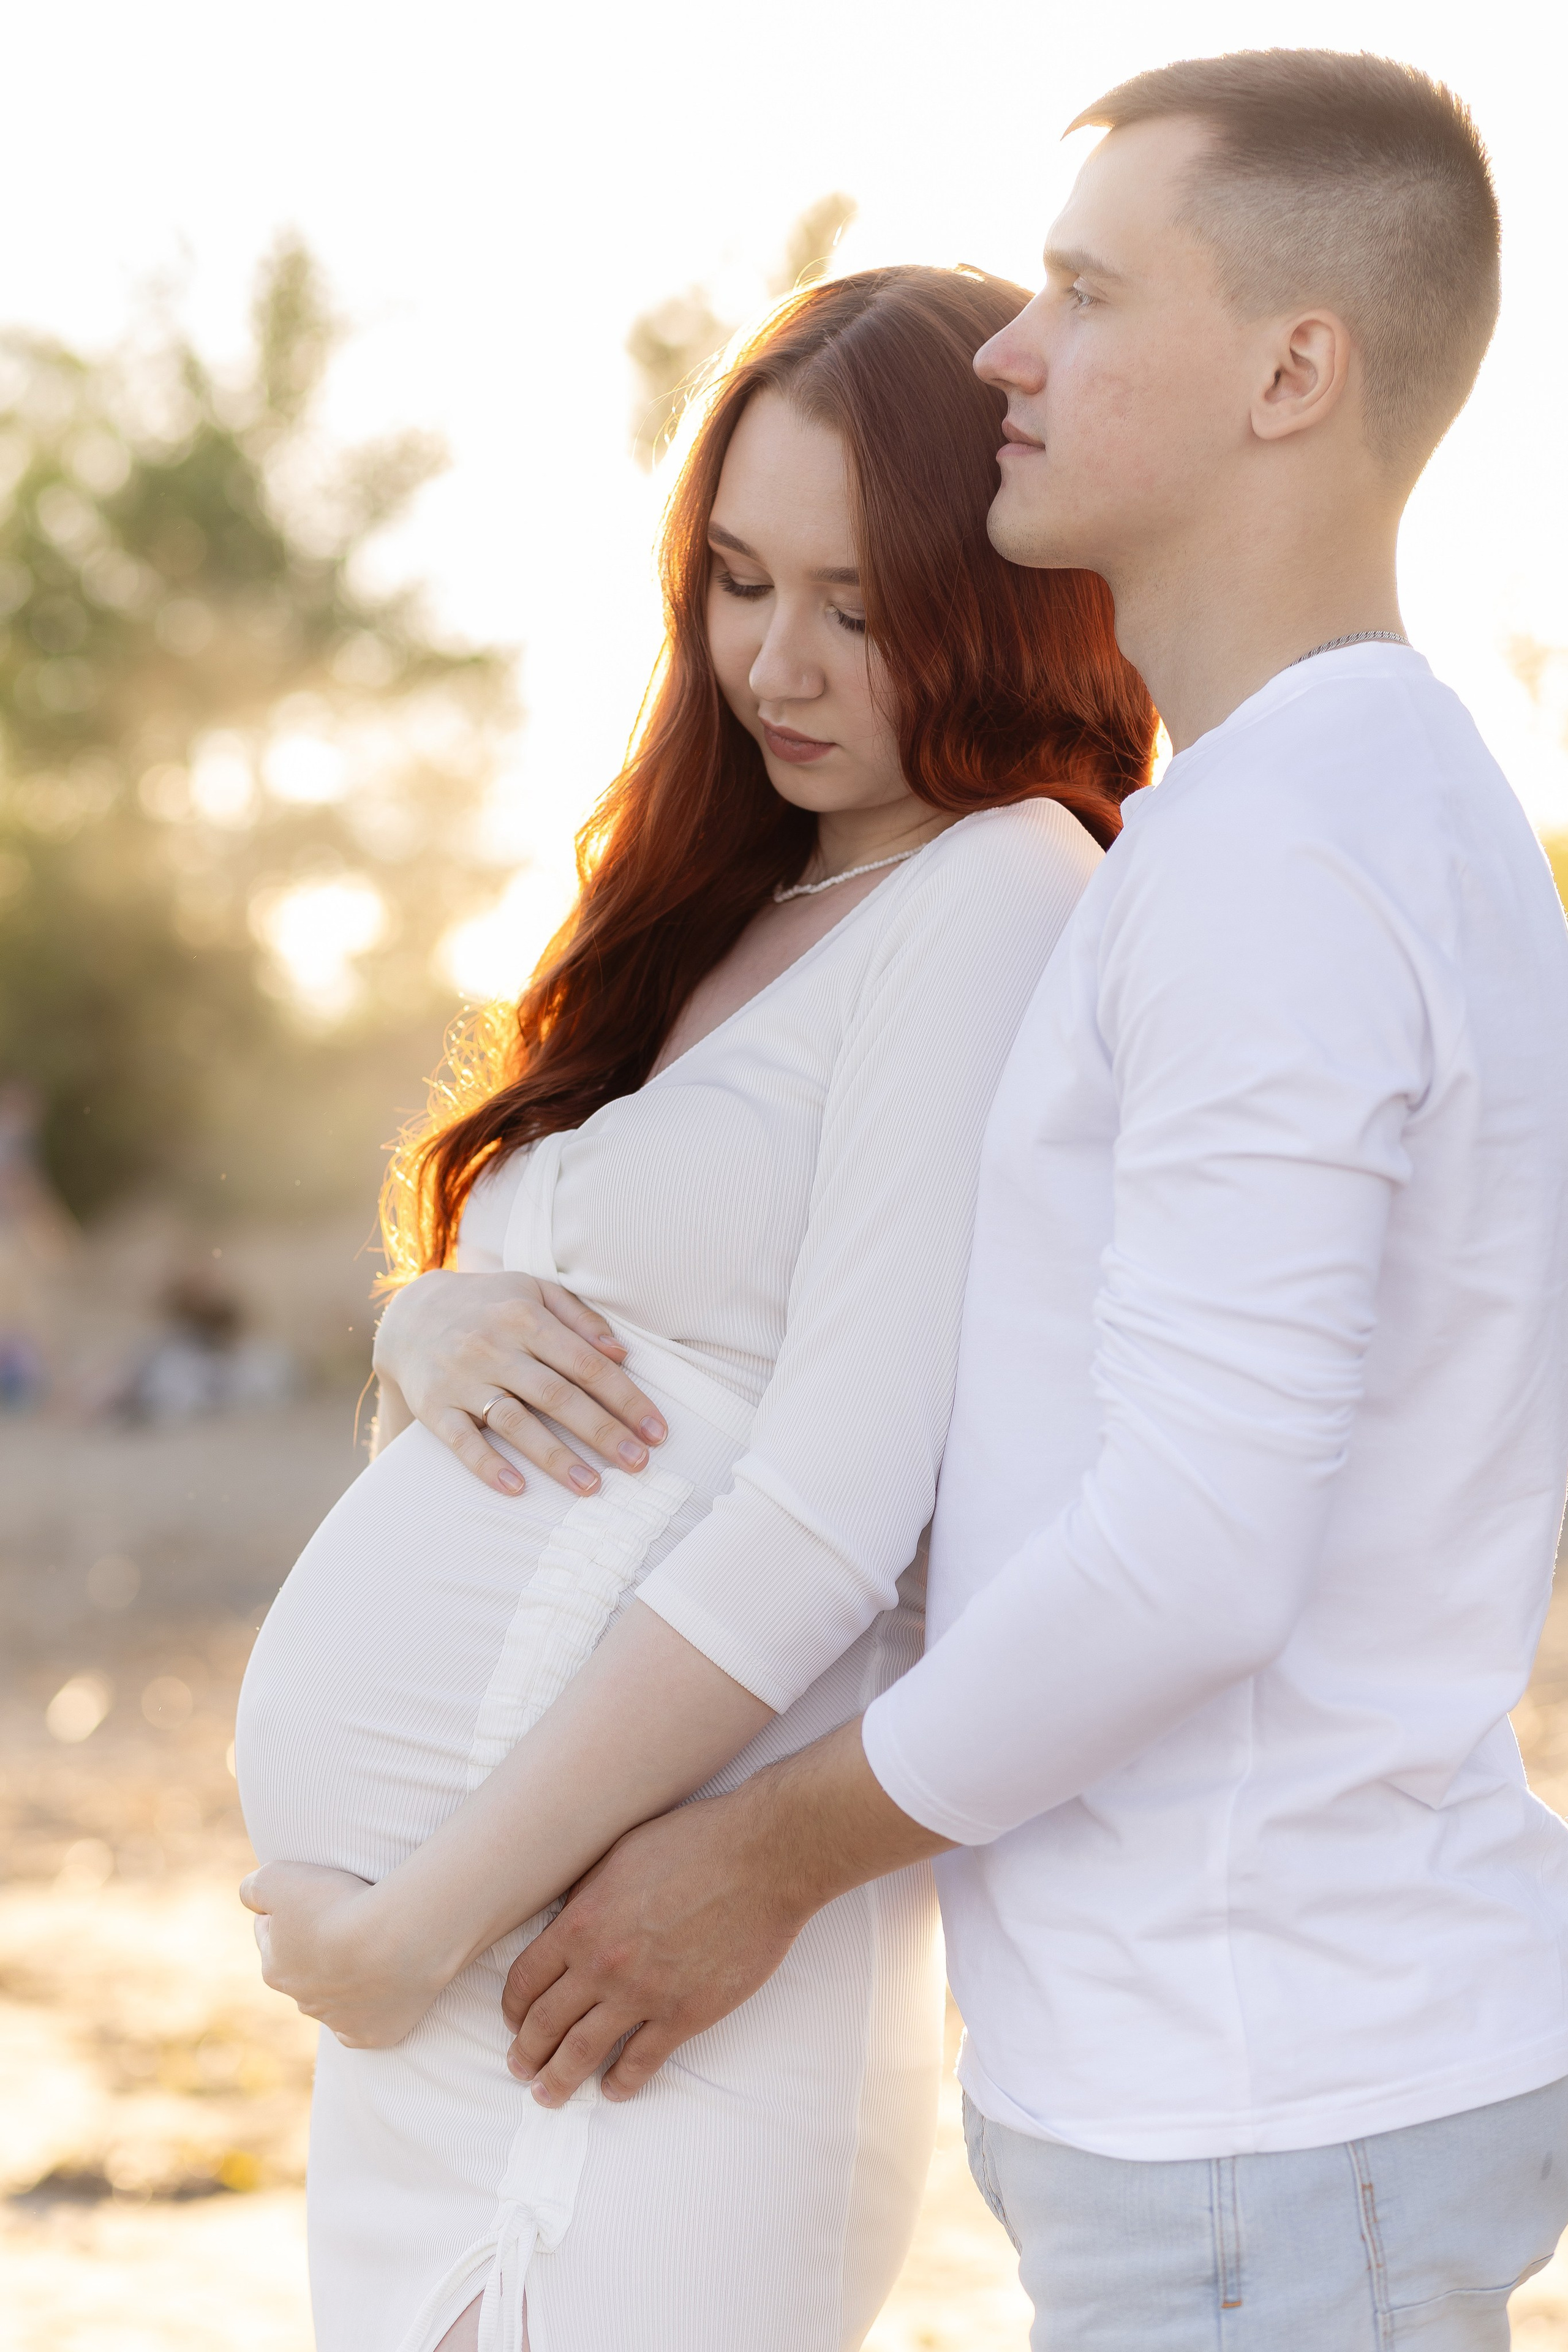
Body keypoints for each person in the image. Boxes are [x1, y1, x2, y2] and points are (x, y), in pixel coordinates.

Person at [492, 51, 1568, 2350]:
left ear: (1298, 369)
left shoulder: (1286, 854)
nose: (1008, 351)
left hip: (1273, 2106)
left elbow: (1196, 1550)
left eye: (1083, 293)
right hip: (1241, 2096)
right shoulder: (1311, 809)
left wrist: (746, 1864)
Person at [233, 265, 1155, 2352]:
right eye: (739, 580)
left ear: (1005, 584)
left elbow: (840, 1504)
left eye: (857, 598)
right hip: (456, 1985)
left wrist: (426, 1924)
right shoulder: (736, 898)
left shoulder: (1002, 883)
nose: (777, 660)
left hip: (618, 1996)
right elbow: (555, 1304)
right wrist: (422, 1329)